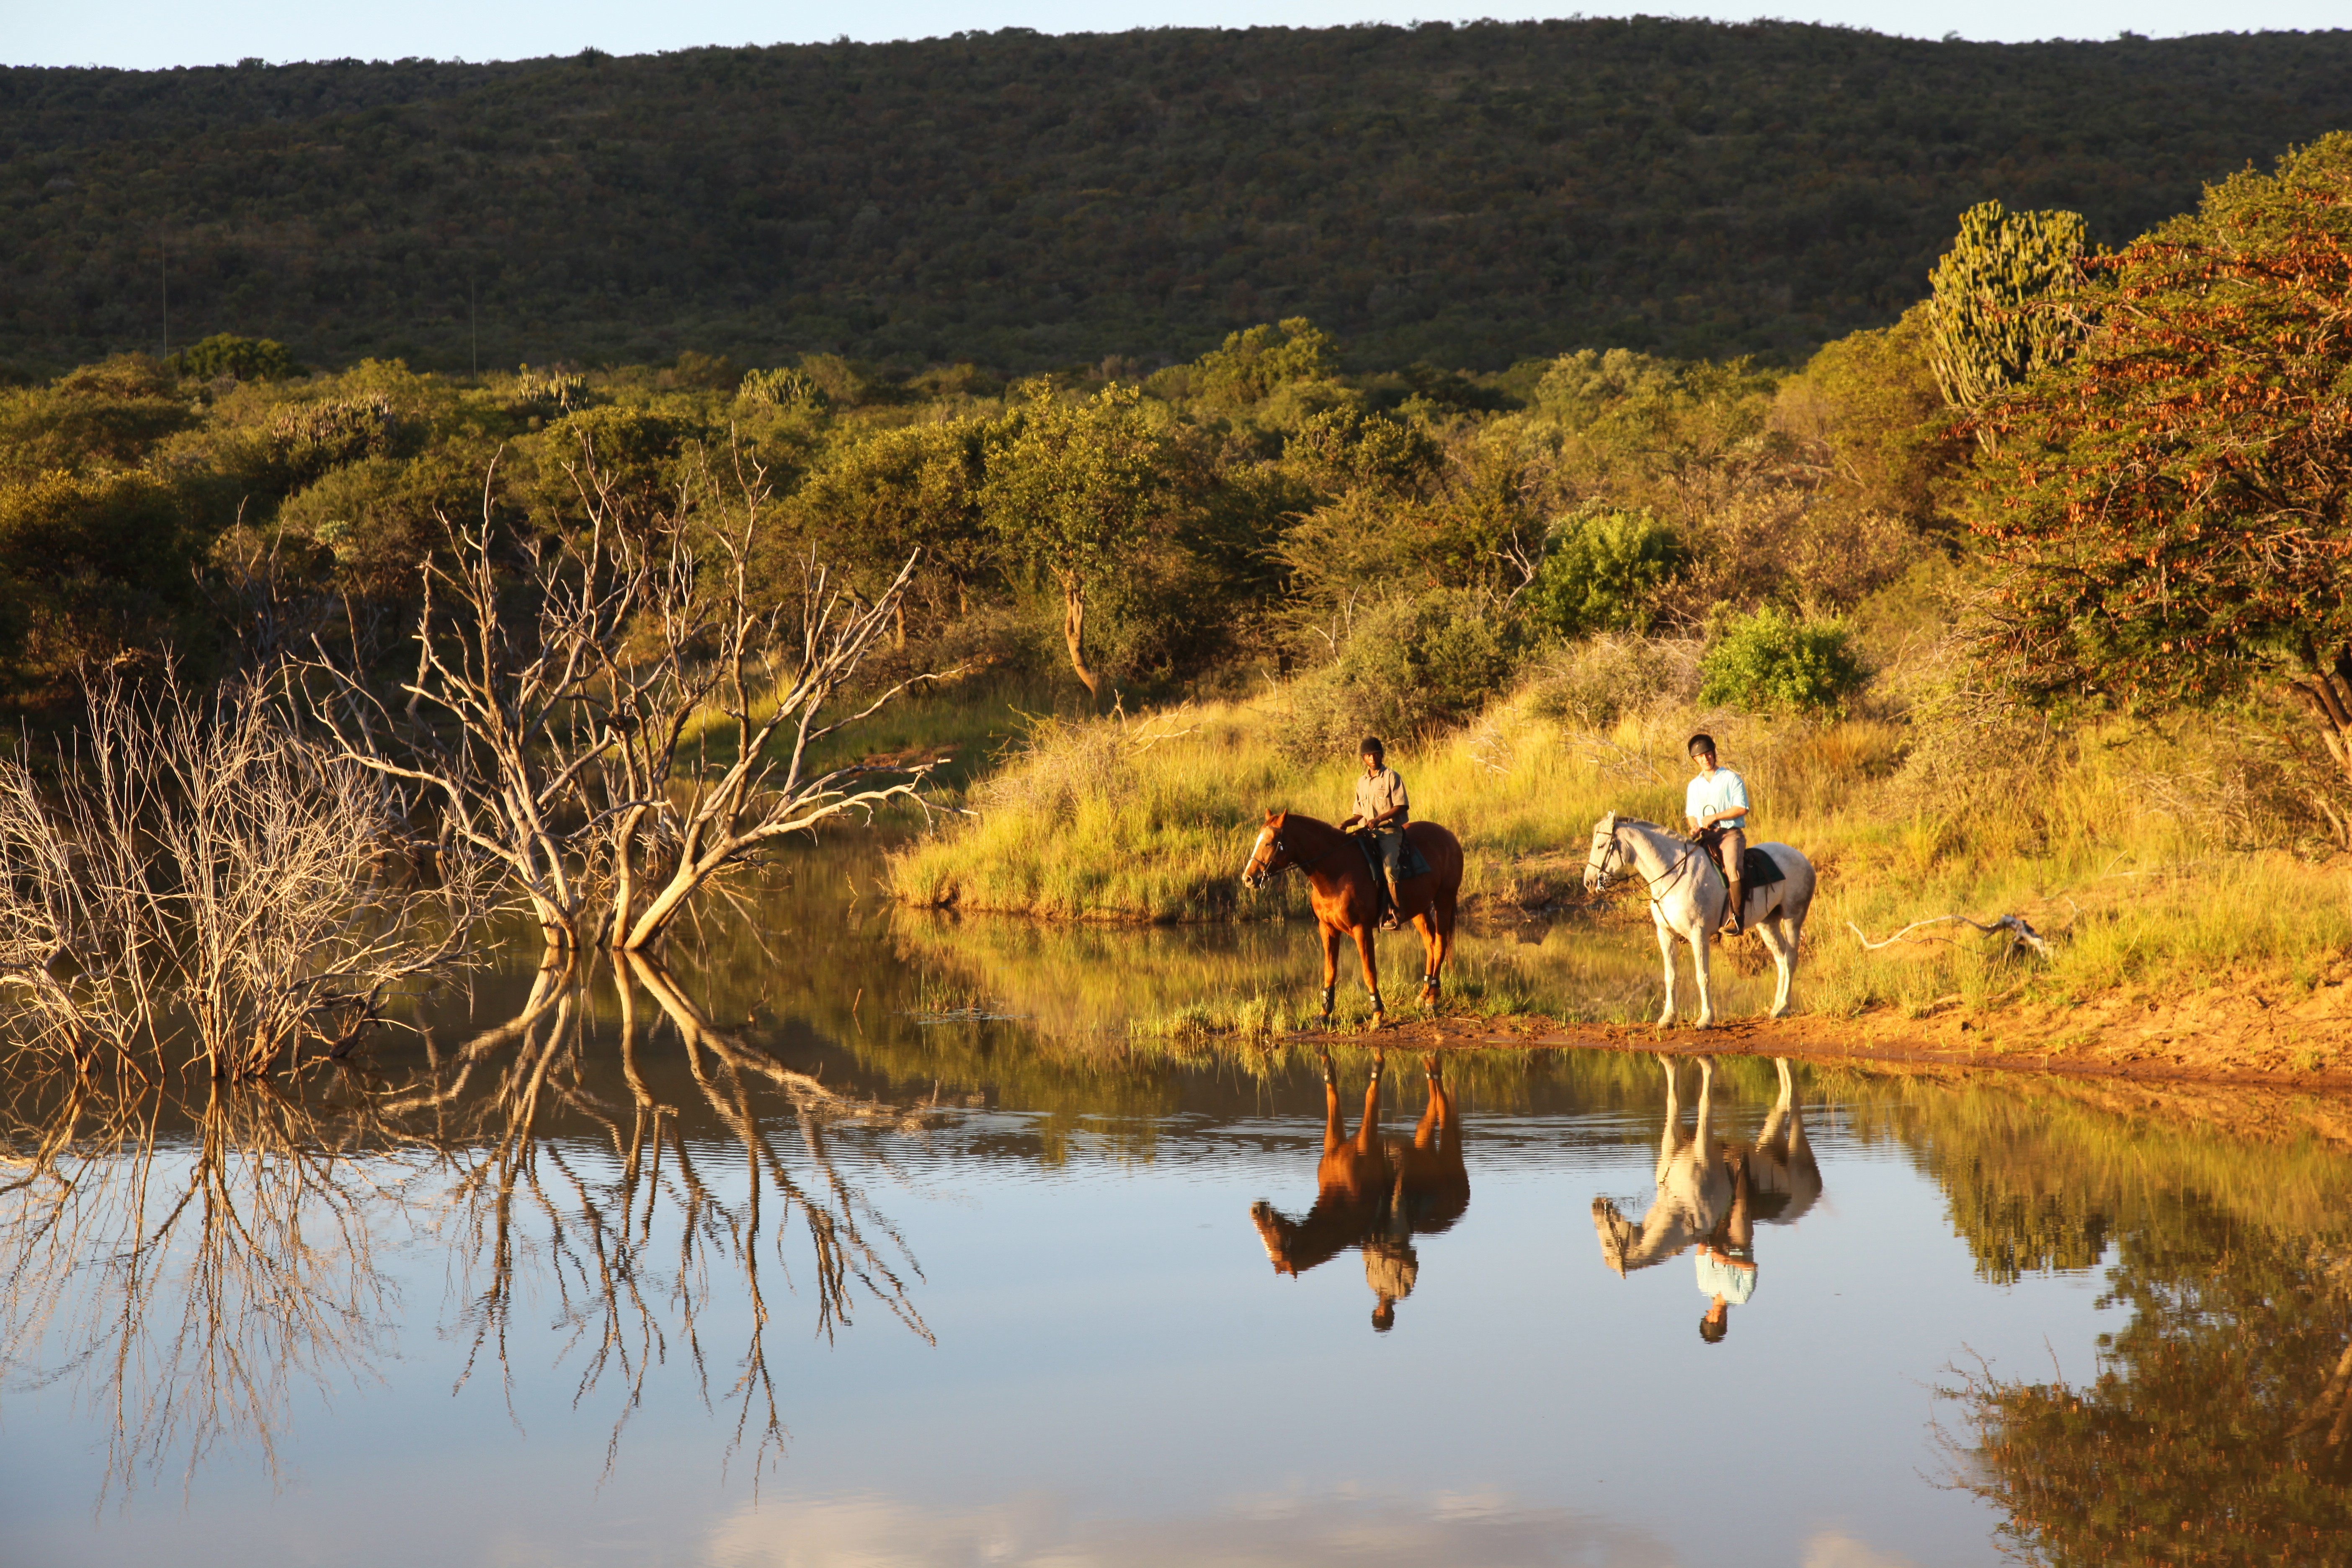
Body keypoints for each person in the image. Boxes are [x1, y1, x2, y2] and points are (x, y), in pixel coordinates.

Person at [1683, 732, 1751, 937]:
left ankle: (1737, 920)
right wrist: (1694, 828)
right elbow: (1692, 815)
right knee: (1688, 868)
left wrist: (1715, 817)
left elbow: (1742, 808)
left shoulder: (1731, 779)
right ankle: (1692, 922)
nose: (1705, 759)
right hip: (1706, 836)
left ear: (1714, 753)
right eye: (1700, 757)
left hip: (1729, 834)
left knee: (1732, 868)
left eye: (1708, 754)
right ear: (1696, 760)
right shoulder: (1694, 786)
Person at [1341, 736, 1409, 930]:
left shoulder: (1391, 777)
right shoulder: (1361, 782)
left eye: (1375, 754)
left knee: (1389, 869)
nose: (1372, 758)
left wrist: (1379, 819)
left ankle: (1395, 913)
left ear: (1381, 755)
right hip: (1366, 833)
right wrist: (1347, 823)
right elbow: (1359, 813)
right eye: (1368, 755)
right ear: (1363, 758)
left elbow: (1402, 805)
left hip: (1389, 832)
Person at [1696, 1148, 1757, 1344]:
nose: (1716, 1316)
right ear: (1725, 1321)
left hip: (1714, 1242)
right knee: (1739, 1209)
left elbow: (1700, 1255)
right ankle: (1742, 1162)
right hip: (1739, 1244)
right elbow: (1751, 1268)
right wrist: (1727, 1260)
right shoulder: (1740, 1297)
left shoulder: (1704, 1287)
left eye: (1711, 1319)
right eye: (1718, 1321)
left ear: (1706, 1315)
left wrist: (1703, 1235)